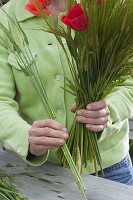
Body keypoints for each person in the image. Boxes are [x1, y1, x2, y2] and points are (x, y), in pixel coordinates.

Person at [0, 0, 133, 186]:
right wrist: (25, 137)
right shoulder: (7, 17)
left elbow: (129, 82)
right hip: (38, 173)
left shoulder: (108, 5)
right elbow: (1, 100)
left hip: (109, 170)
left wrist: (109, 111)